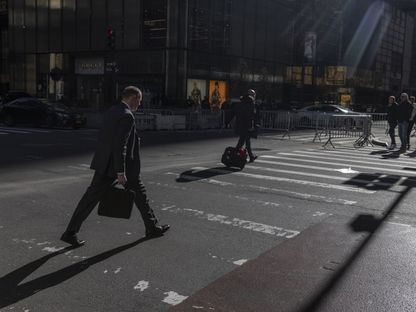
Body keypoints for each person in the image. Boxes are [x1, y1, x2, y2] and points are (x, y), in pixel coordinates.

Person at [60, 86, 170, 246]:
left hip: (104, 163)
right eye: (139, 100)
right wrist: (120, 171)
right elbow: (120, 145)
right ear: (133, 99)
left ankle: (70, 232)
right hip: (120, 166)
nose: (139, 104)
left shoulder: (112, 111)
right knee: (139, 194)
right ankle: (152, 227)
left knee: (91, 198)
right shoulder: (127, 116)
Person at [226, 89, 258, 162]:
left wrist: (227, 122)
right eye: (254, 95)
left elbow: (232, 113)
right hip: (247, 126)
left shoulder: (240, 103)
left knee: (244, 141)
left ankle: (250, 156)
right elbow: (251, 116)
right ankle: (234, 156)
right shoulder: (251, 104)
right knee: (243, 142)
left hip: (240, 125)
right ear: (252, 95)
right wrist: (251, 126)